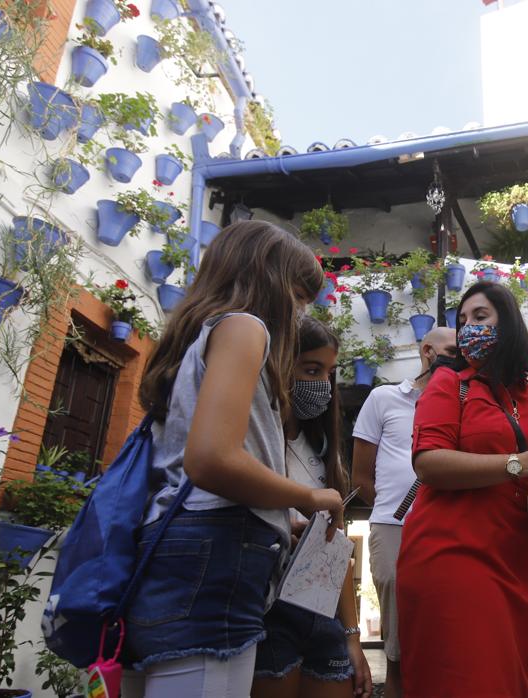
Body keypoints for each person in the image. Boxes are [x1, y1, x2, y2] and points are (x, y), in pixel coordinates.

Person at [127, 221, 344, 697]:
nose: (299, 312)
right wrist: (309, 495)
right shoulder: (246, 328)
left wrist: (276, 514)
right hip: (216, 557)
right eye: (299, 297)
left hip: (180, 551)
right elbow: (212, 460)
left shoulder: (201, 336)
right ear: (266, 279)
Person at [396, 281, 528, 697]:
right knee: (469, 682)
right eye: (462, 322)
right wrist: (520, 463)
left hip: (523, 562)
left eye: (480, 317)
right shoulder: (450, 384)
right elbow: (428, 462)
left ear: (510, 323)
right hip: (457, 556)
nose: (467, 329)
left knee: (516, 684)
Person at [253, 316, 372, 697]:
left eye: (329, 373)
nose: (322, 384)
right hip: (267, 614)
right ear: (281, 365)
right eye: (311, 369)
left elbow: (333, 554)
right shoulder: (254, 444)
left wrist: (352, 638)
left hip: (321, 618)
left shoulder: (321, 454)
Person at [350, 326, 457, 698]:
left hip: (446, 530)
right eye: (453, 350)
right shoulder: (384, 398)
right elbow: (360, 475)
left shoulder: (462, 402)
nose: (460, 358)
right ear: (428, 351)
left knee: (441, 636)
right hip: (394, 528)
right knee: (397, 647)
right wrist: (397, 511)